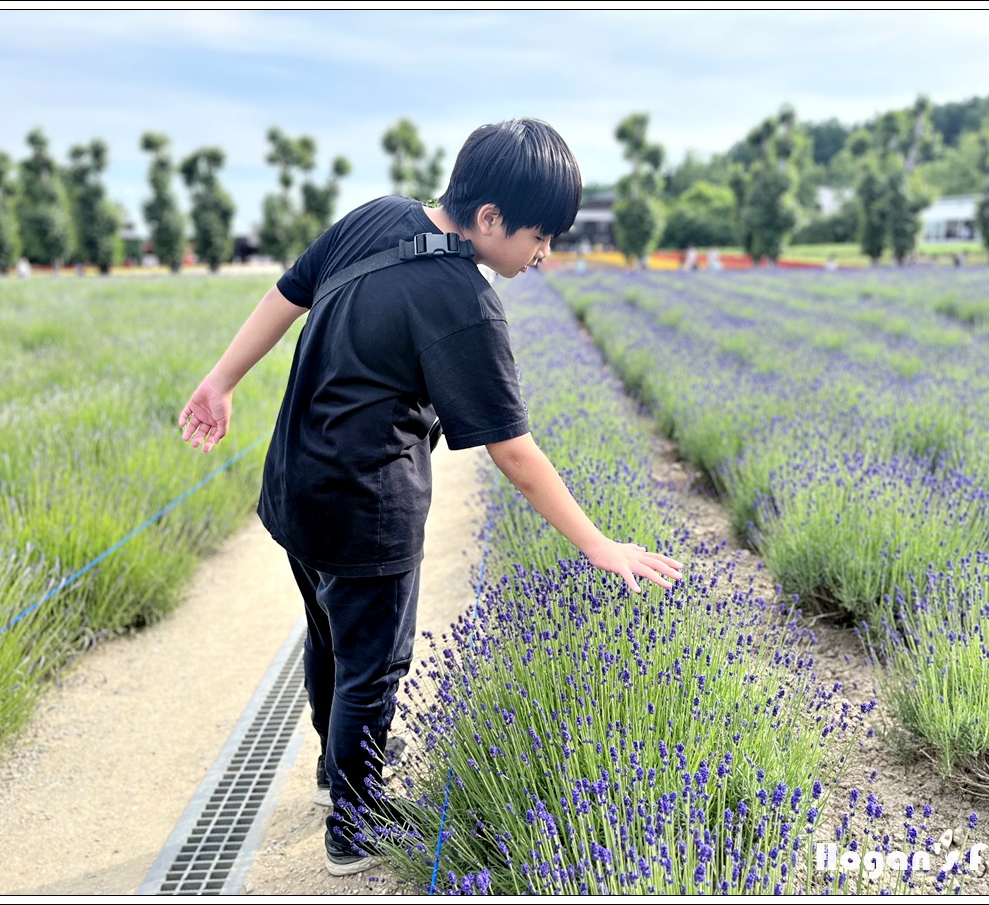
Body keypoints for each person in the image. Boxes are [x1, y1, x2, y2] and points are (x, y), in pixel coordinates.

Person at [177, 119, 683, 877]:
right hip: (365, 507)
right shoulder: (463, 301)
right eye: (540, 236)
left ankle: (334, 774)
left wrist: (220, 379)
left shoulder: (377, 215)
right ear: (489, 221)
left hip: (296, 487)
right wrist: (597, 543)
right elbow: (514, 451)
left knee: (329, 637)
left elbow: (287, 294)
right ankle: (354, 826)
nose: (544, 254)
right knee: (374, 667)